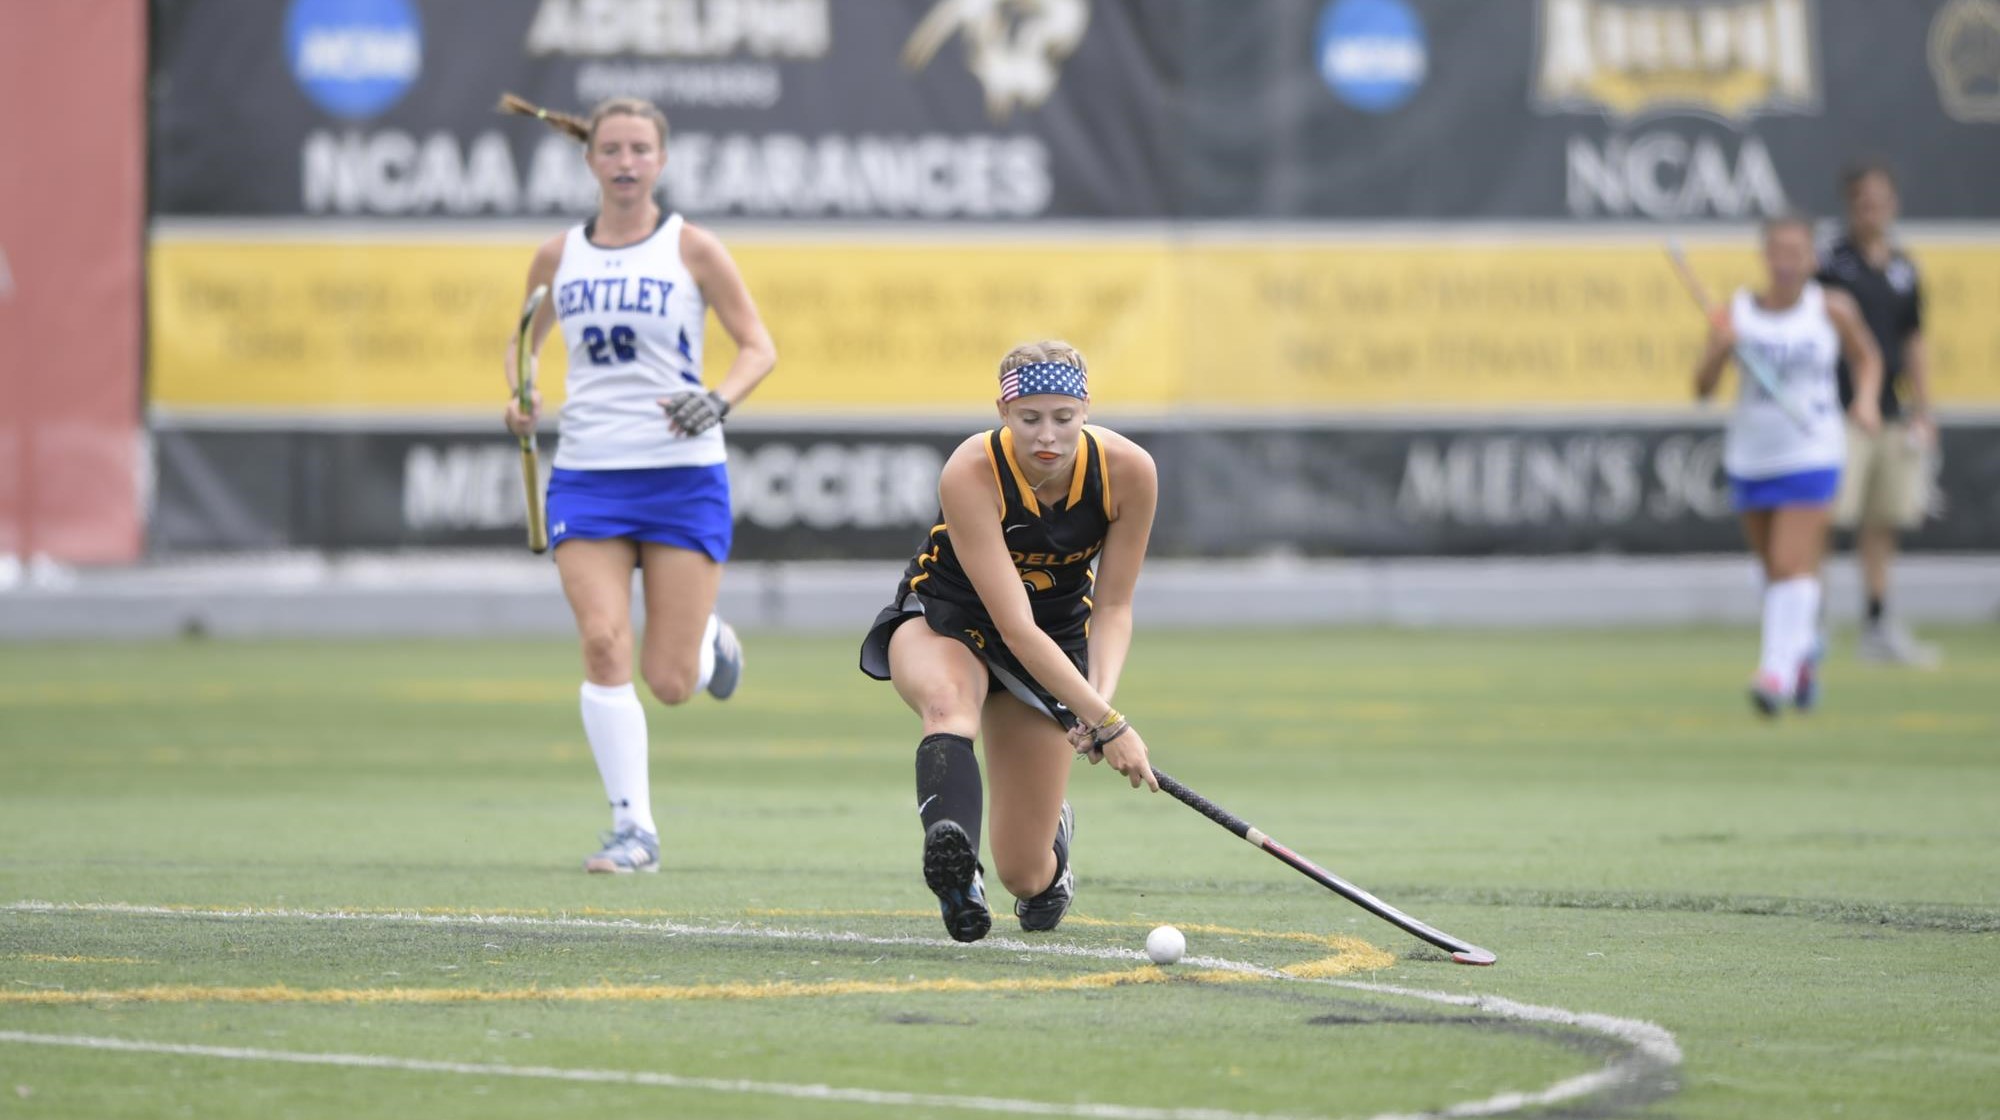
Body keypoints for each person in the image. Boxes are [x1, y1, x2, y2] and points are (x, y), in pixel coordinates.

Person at [501, 93, 777, 872]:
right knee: (600, 642)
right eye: (611, 150)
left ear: (660, 160)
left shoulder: (692, 248)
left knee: (670, 682)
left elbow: (758, 346)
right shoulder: (558, 257)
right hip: (589, 472)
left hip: (682, 475)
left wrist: (718, 399)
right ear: (589, 158)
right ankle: (634, 829)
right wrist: (522, 401)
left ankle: (706, 646)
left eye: (640, 150)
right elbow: (525, 350)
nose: (625, 163)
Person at [860, 341, 1159, 942]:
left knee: (1024, 874)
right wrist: (1109, 722)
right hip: (949, 618)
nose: (1046, 435)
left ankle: (1051, 853)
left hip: (1056, 634)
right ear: (1003, 410)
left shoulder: (1130, 472)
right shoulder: (970, 471)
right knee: (949, 705)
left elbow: (1115, 605)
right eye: (1029, 419)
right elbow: (1013, 627)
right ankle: (957, 873)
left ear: (1085, 409)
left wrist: (1096, 706)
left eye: (1063, 418)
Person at [1696, 215, 1881, 718]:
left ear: (1811, 259)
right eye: (1776, 250)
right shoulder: (1738, 313)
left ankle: (1774, 672)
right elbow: (1702, 388)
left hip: (1813, 449)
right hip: (1752, 456)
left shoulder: (1831, 309)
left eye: (1795, 251)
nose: (1785, 261)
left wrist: (1864, 401)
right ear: (1764, 255)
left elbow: (1868, 359)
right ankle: (1803, 647)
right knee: (1771, 572)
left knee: (1788, 564)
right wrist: (1720, 349)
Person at [1817, 161, 1942, 666]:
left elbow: (1913, 341)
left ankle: (1875, 623)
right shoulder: (1831, 263)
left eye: (1880, 199)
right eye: (1862, 200)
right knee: (1825, 518)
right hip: (1838, 411)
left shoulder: (1903, 268)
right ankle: (1810, 623)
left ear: (1892, 203)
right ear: (1850, 205)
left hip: (1890, 411)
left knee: (1882, 521)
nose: (1872, 209)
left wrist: (1923, 408)